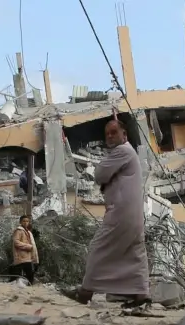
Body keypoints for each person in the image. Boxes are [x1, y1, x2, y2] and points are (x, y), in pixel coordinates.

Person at [61, 120, 149, 309]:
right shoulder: (128, 151)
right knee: (135, 252)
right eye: (107, 133)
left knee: (98, 248)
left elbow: (100, 174)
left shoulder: (122, 151)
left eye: (114, 132)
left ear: (124, 134)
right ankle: (141, 293)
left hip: (121, 213)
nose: (109, 136)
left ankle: (85, 292)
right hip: (134, 214)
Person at [11, 215, 39, 284]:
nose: (25, 223)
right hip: (21, 256)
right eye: (24, 221)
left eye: (27, 221)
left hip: (27, 256)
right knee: (27, 274)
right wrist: (28, 246)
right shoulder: (19, 231)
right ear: (20, 222)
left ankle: (28, 286)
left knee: (28, 274)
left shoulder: (28, 232)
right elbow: (16, 242)